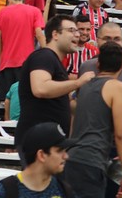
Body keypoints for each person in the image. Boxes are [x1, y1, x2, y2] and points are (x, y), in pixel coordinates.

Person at [14, 15, 93, 151]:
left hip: (50, 143)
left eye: (77, 32)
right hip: (39, 143)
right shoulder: (44, 56)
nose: (77, 35)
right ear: (55, 34)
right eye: (71, 30)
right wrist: (78, 83)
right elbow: (40, 88)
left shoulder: (55, 61)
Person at [65, 43, 122, 198]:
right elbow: (121, 134)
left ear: (98, 64)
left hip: (72, 158)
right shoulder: (117, 87)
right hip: (91, 161)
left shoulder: (86, 86)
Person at [0, 122, 71, 198]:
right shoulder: (3, 193)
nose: (66, 156)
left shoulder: (64, 190)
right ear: (41, 155)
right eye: (59, 151)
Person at [0, 0, 45, 101]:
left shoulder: (3, 12)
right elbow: (39, 34)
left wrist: (1, 61)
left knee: (6, 102)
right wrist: (47, 53)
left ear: (10, 2)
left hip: (6, 65)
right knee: (25, 100)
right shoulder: (34, 11)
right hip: (26, 64)